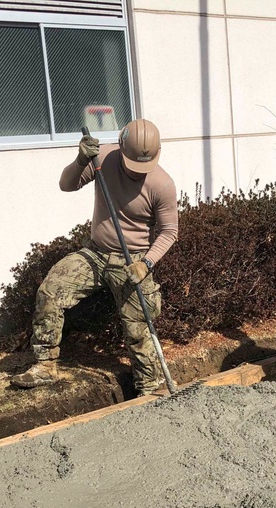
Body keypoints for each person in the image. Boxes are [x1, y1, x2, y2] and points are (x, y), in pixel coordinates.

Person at [11, 118, 178, 396]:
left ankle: (149, 387)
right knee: (51, 290)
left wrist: (146, 263)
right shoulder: (103, 160)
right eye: (132, 163)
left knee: (138, 326)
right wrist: (79, 161)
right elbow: (67, 184)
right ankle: (45, 365)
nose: (137, 172)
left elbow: (170, 231)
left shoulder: (162, 185)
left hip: (133, 261)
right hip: (96, 253)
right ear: (122, 148)